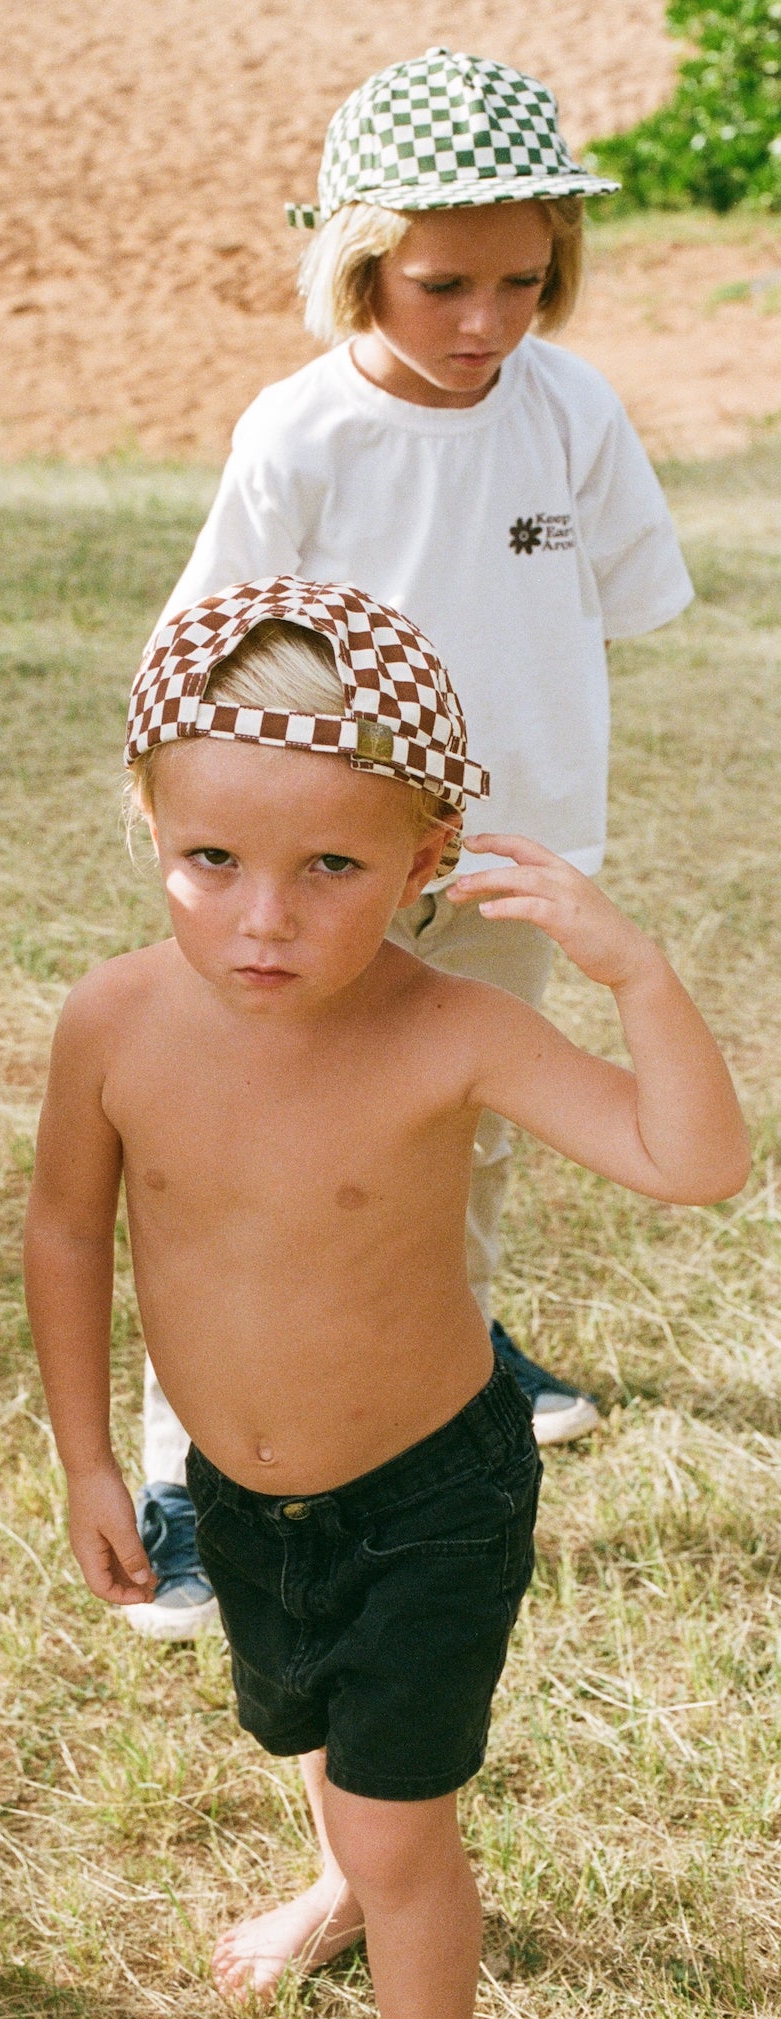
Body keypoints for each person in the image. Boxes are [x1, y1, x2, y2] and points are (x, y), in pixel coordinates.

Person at [23, 579, 748, 2019]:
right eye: (209, 859)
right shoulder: (111, 1020)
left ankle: (386, 1913)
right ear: (147, 830)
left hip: (427, 1498)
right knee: (306, 1731)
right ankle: (340, 1882)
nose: (264, 919)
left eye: (332, 867)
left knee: (405, 1831)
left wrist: (634, 970)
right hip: (230, 1492)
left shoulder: (450, 1029)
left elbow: (696, 1163)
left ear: (428, 857)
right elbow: (63, 1227)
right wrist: (91, 1462)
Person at [128, 46, 696, 1645]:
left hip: (505, 868)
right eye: (444, 284)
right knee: (253, 1167)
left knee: (466, 1138)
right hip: (323, 879)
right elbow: (207, 663)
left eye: (525, 282)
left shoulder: (571, 409)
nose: (486, 325)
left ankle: (450, 1369)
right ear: (358, 262)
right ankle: (188, 1475)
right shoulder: (300, 436)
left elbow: (599, 611)